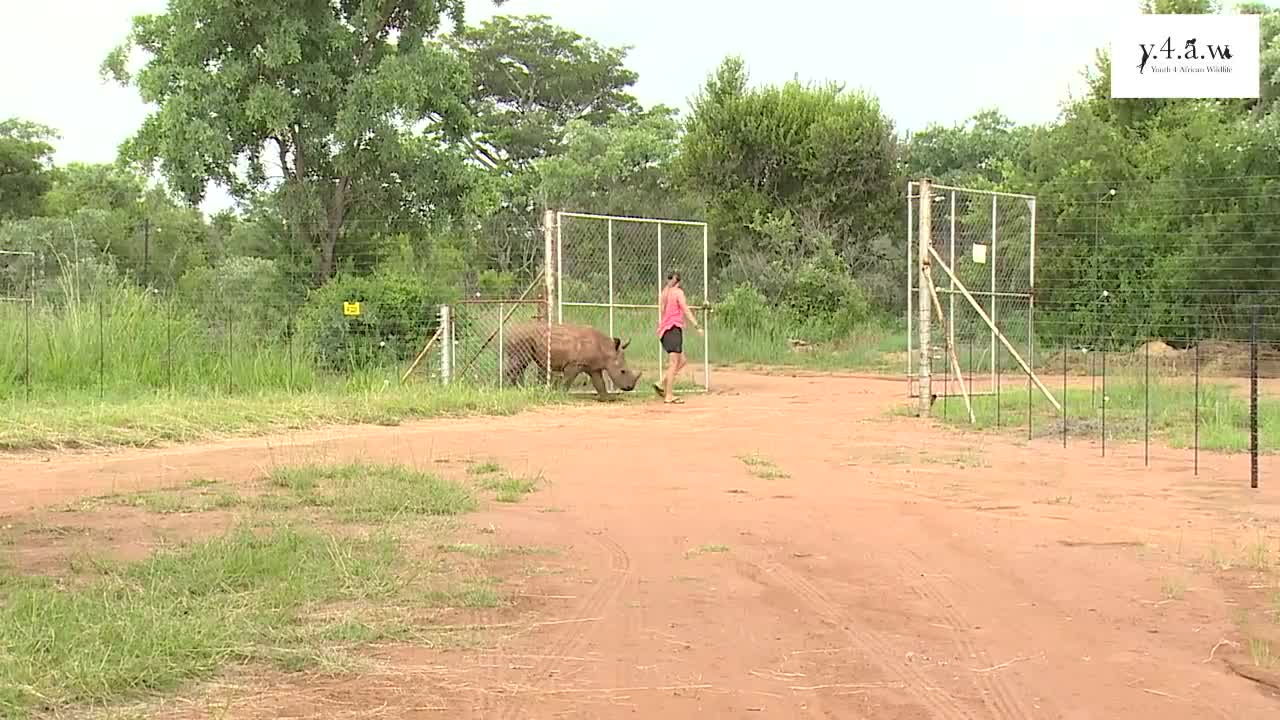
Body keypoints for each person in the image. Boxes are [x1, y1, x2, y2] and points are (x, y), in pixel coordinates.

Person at [655, 269, 702, 404]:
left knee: (682, 361)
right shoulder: (677, 292)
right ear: (679, 282)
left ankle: (661, 382)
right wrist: (697, 326)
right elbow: (685, 309)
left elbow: (662, 311)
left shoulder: (664, 293)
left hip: (665, 331)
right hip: (673, 329)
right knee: (674, 363)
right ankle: (669, 395)